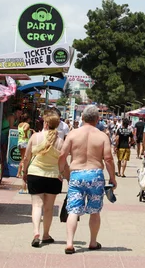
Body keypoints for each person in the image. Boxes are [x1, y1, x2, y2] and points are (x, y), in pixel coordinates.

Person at [58, 105, 117, 255]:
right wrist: (112, 177)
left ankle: (70, 243)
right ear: (97, 119)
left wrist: (61, 171)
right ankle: (92, 242)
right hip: (95, 175)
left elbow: (62, 155)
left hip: (76, 174)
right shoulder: (102, 136)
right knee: (95, 211)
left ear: (82, 118)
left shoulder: (72, 134)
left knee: (73, 210)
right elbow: (108, 159)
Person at [22, 110, 65, 248]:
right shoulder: (60, 141)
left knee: (36, 205)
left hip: (35, 174)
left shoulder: (35, 137)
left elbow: (26, 157)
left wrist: (24, 172)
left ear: (45, 123)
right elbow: (63, 162)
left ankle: (36, 233)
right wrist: (63, 174)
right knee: (48, 208)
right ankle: (46, 235)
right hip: (53, 176)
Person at [16, 114, 32, 192]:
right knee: (25, 159)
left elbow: (22, 129)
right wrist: (26, 135)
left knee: (22, 158)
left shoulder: (20, 124)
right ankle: (21, 173)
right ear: (28, 119)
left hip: (19, 142)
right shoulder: (27, 124)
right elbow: (25, 130)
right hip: (25, 142)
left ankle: (18, 173)